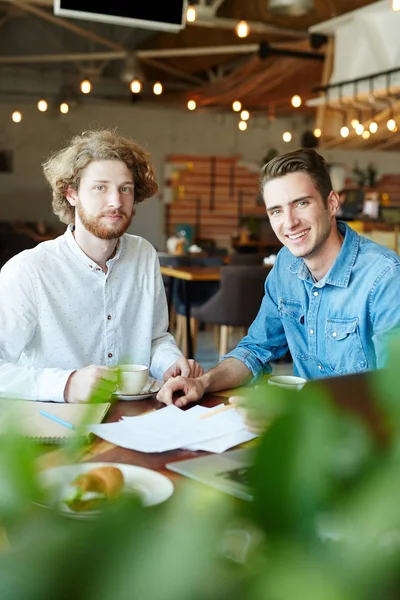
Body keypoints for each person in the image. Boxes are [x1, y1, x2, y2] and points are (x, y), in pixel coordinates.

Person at [157, 148, 400, 409]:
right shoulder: (286, 265)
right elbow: (255, 349)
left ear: (331, 203)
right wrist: (202, 383)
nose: (290, 222)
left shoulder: (384, 276)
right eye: (276, 211)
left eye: (301, 203)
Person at [0, 128, 202, 403]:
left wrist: (170, 363)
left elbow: (155, 338)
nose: (116, 202)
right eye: (100, 187)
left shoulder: (144, 254)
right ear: (72, 194)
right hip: (58, 426)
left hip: (136, 418)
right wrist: (66, 384)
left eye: (125, 189)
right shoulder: (28, 271)